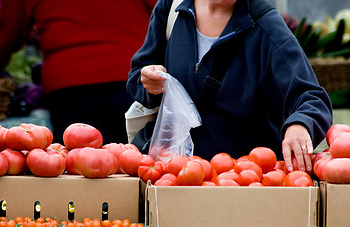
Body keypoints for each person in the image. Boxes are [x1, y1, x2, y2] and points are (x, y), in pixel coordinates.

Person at [127, 0, 333, 172]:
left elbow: (311, 97)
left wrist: (300, 124)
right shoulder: (172, 9)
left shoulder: (266, 26)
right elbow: (138, 75)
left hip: (241, 184)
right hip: (173, 176)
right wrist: (149, 83)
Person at [0, 0, 157, 144]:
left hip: (70, 87)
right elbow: (163, 13)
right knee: (138, 163)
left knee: (79, 168)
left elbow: (4, 35)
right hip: (130, 76)